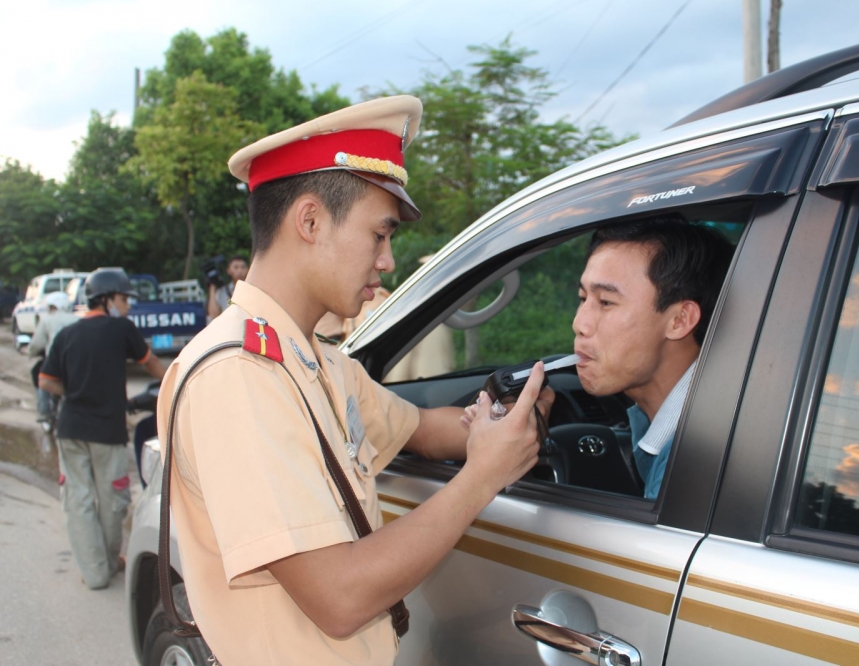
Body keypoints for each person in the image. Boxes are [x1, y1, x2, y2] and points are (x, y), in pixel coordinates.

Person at [158, 95, 553, 664]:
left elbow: (422, 427)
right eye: (380, 234)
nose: (388, 260)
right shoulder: (237, 375)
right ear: (311, 221)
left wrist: (503, 424)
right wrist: (481, 477)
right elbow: (340, 598)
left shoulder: (318, 361)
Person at [572, 218, 733, 500]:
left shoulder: (691, 465)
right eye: (583, 298)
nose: (579, 323)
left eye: (606, 302)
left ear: (679, 320)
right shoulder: (716, 413)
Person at [38, 267, 167, 589]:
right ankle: (107, 563)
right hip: (107, 432)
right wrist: (175, 382)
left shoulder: (66, 334)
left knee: (78, 500)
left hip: (70, 429)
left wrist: (74, 392)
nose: (127, 306)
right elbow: (150, 364)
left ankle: (95, 572)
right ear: (107, 299)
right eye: (124, 299)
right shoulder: (121, 328)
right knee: (113, 500)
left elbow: (45, 381)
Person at [27, 291, 78, 431]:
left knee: (38, 375)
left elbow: (37, 343)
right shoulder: (77, 319)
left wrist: (29, 353)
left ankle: (44, 412)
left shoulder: (47, 320)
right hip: (76, 363)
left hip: (55, 363)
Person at [206, 255, 249, 319]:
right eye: (236, 267)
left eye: (243, 267)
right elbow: (213, 314)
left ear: (248, 270)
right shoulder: (222, 291)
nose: (239, 271)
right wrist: (212, 287)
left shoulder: (252, 290)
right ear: (228, 270)